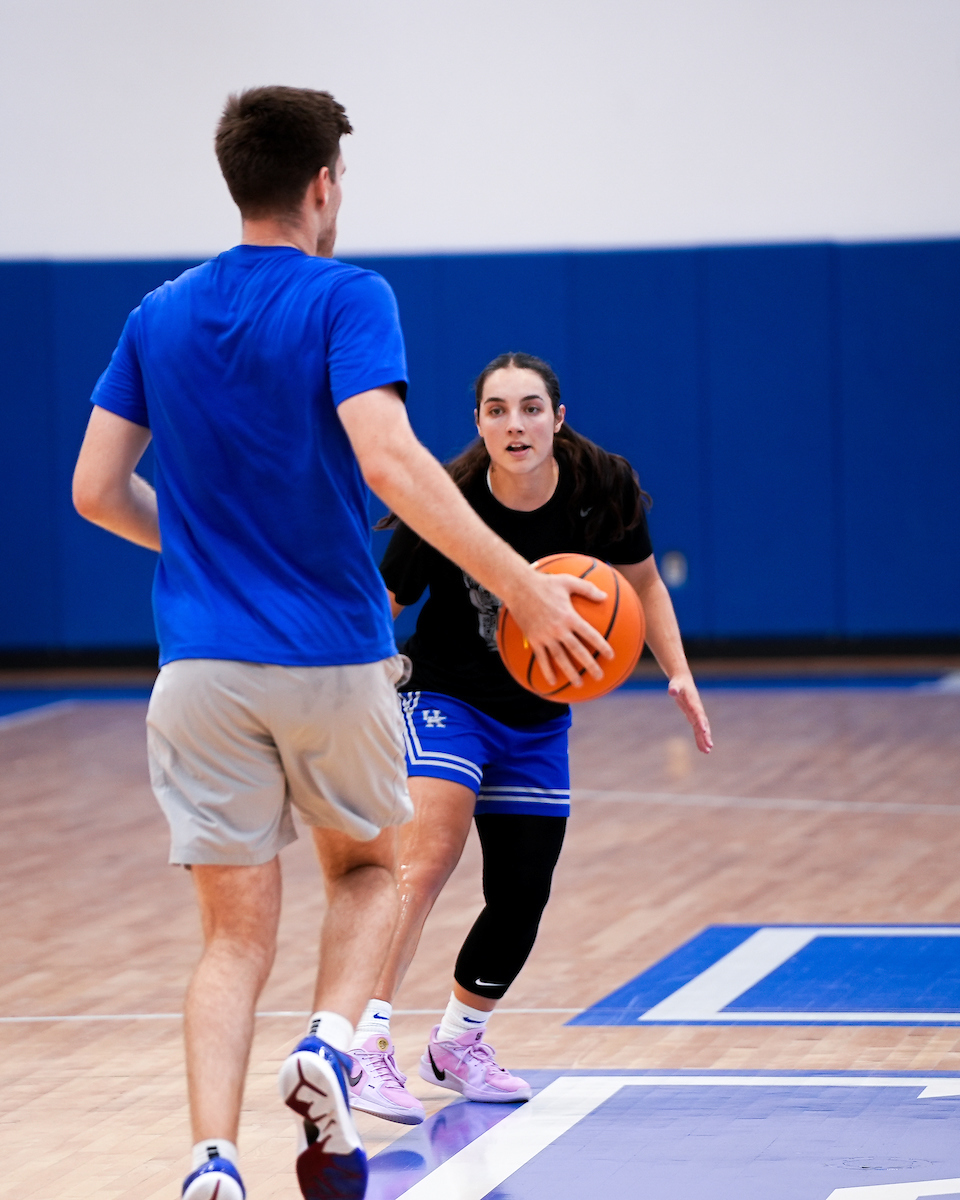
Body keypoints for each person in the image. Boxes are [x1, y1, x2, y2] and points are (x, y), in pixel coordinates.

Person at [71, 92, 614, 1200]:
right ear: (323, 184)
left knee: (229, 939)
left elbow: (92, 488)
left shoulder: (156, 315)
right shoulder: (346, 296)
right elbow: (389, 459)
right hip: (326, 652)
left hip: (199, 670)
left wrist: (209, 544)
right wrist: (520, 583)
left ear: (236, 180)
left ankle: (211, 1163)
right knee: (369, 872)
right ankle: (325, 1046)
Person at [346, 352, 713, 1125]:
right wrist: (361, 680)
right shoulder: (443, 497)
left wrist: (676, 670)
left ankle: (457, 1043)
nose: (515, 424)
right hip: (446, 694)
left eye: (531, 408)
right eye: (497, 410)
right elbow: (381, 599)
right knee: (428, 856)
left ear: (558, 417)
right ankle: (363, 1048)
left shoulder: (601, 485)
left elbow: (641, 583)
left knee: (521, 893)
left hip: (539, 713)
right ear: (478, 423)